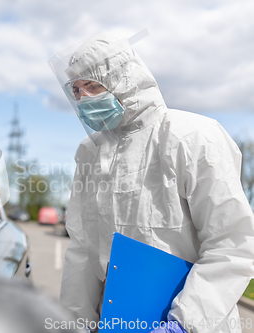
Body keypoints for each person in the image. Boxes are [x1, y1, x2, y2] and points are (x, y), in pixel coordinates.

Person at [49, 32, 254, 333]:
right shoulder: (90, 152)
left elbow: (231, 243)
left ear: (125, 79)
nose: (85, 99)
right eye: (77, 91)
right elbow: (82, 250)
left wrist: (183, 324)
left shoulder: (191, 136)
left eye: (93, 85)